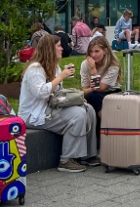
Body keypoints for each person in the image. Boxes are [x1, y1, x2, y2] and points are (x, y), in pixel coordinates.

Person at [19, 34, 98, 173]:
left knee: (88, 108)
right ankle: (66, 159)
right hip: (34, 114)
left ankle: (88, 155)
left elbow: (57, 93)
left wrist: (76, 99)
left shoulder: (54, 67)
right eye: (59, 46)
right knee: (78, 115)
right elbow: (42, 93)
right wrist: (61, 77)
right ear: (50, 49)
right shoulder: (35, 69)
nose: (62, 48)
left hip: (49, 107)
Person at [80, 36, 120, 113]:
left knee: (95, 96)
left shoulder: (113, 65)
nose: (93, 55)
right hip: (92, 92)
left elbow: (100, 88)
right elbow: (84, 90)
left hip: (111, 92)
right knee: (90, 97)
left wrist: (93, 70)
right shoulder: (85, 64)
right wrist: (91, 89)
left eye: (97, 51)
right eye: (91, 51)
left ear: (105, 51)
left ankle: (104, 123)